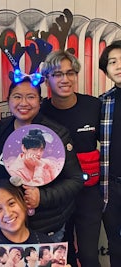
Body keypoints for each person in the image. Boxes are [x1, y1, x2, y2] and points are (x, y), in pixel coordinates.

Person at [0, 76, 83, 243]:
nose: (24, 103)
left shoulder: (56, 134)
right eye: (17, 96)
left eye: (31, 96)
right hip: (9, 224)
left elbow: (76, 179)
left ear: (40, 101)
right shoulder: (2, 127)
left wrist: (42, 197)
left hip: (46, 227)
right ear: (8, 100)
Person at [40, 50, 103, 267]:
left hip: (89, 194)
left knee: (88, 256)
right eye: (57, 74)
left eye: (70, 73)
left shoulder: (95, 106)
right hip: (56, 195)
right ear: (47, 79)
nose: (65, 79)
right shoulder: (39, 111)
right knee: (60, 257)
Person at [99, 40, 121, 267]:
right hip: (111, 186)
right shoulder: (103, 102)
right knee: (116, 243)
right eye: (112, 62)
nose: (118, 66)